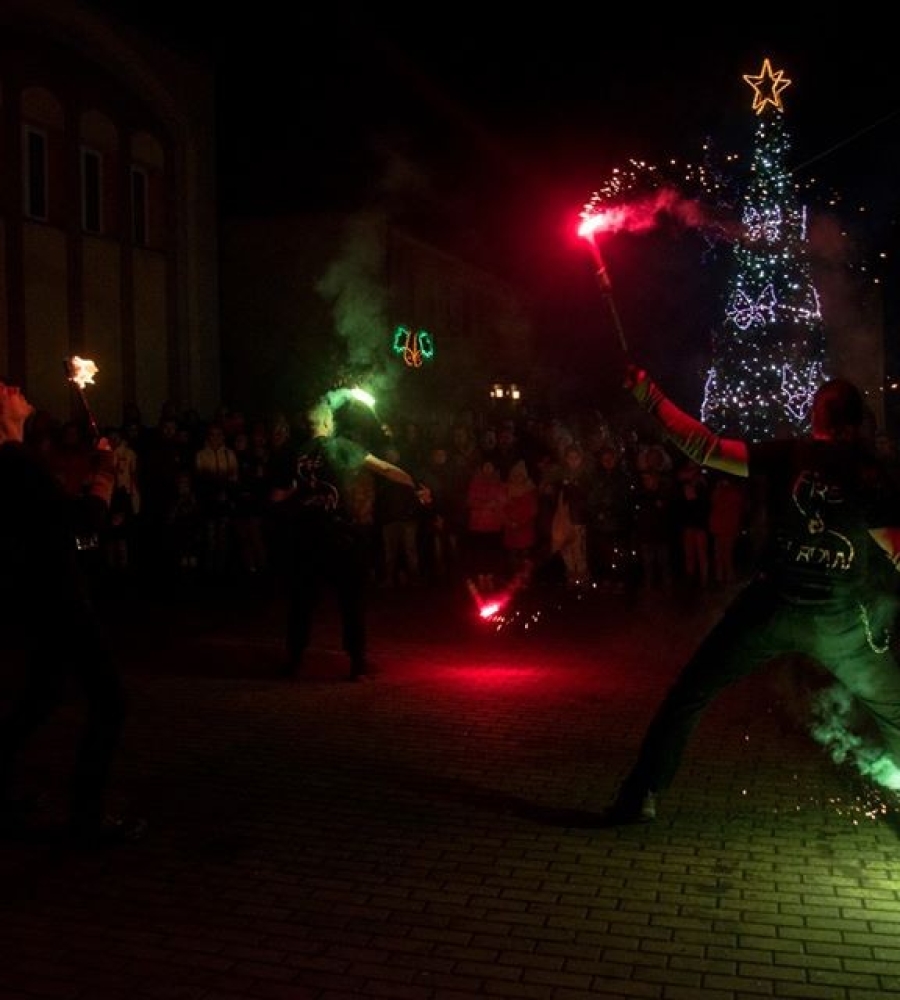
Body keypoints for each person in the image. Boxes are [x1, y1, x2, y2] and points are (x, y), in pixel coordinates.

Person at [604, 365, 900, 824]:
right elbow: (897, 549)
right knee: (895, 709)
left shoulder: (789, 455)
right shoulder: (868, 474)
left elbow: (703, 446)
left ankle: (641, 794)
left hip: (771, 609)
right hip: (838, 621)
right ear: (857, 420)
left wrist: (650, 395)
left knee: (690, 693)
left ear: (817, 413)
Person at [0, 378, 146, 846]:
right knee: (110, 701)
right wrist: (104, 472)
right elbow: (82, 525)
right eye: (4, 388)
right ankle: (86, 818)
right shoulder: (14, 464)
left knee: (39, 698)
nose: (15, 387)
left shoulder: (18, 463)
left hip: (41, 596)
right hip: (57, 596)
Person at [270, 397, 429, 681]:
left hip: (307, 537)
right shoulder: (342, 446)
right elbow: (385, 468)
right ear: (328, 422)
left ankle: (293, 659)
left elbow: (281, 493)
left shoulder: (295, 453)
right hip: (341, 535)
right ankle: (356, 663)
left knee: (302, 601)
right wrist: (415, 485)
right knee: (352, 601)